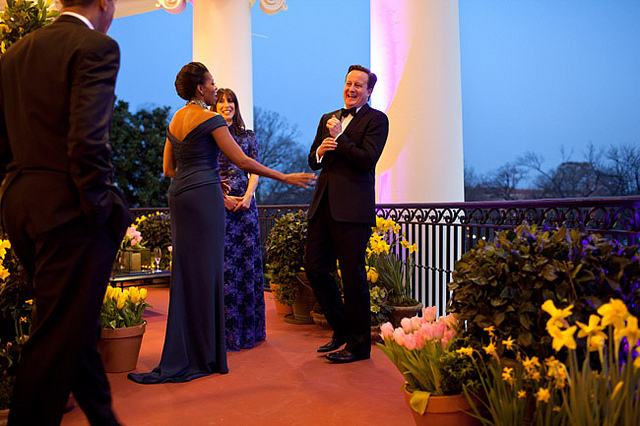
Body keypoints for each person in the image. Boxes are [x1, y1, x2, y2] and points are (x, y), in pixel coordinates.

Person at [128, 62, 315, 384]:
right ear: (200, 88)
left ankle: (186, 349)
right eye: (212, 83)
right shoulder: (211, 118)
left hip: (180, 196)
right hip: (203, 200)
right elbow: (242, 161)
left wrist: (206, 180)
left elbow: (168, 169)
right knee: (210, 272)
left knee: (187, 274)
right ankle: (204, 354)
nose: (215, 89)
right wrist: (285, 176)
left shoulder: (176, 118)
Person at [0, 0, 132, 423]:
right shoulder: (95, 47)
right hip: (70, 210)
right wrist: (100, 207)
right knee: (54, 338)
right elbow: (88, 141)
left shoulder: (15, 54)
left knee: (69, 323)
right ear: (105, 4)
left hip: (21, 204)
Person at [305, 64, 389, 364]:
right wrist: (321, 151)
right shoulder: (328, 118)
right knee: (314, 268)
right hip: (322, 206)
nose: (351, 89)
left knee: (353, 277)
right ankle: (341, 329)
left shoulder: (378, 120)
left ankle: (359, 346)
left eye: (358, 85)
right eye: (348, 83)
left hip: (353, 211)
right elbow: (313, 160)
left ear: (368, 91)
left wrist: (341, 139)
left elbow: (366, 160)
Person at [215, 88, 266, 351]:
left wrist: (248, 197)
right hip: (219, 204)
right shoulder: (209, 136)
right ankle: (225, 334)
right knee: (225, 267)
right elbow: (206, 171)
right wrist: (222, 199)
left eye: (231, 101)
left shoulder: (248, 136)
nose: (226, 105)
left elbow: (254, 168)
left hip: (246, 205)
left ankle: (250, 332)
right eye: (221, 101)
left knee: (247, 263)